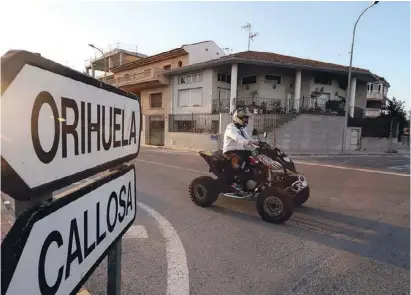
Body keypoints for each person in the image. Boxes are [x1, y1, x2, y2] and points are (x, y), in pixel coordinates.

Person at [222, 108, 259, 191]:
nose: (246, 120)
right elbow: (239, 139)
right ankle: (235, 182)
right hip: (230, 152)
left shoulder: (242, 129)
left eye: (247, 118)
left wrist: (259, 143)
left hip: (240, 151)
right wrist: (249, 142)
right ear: (238, 118)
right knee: (241, 161)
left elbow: (248, 138)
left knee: (255, 161)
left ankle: (251, 181)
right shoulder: (231, 127)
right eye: (244, 118)